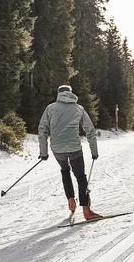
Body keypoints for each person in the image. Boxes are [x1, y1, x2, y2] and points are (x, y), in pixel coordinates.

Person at [38, 84, 101, 220]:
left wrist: (43, 152)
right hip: (74, 148)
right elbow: (90, 130)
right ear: (71, 93)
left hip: (57, 149)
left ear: (59, 93)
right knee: (80, 176)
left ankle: (71, 202)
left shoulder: (50, 108)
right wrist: (94, 151)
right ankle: (86, 211)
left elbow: (42, 130)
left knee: (65, 171)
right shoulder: (78, 108)